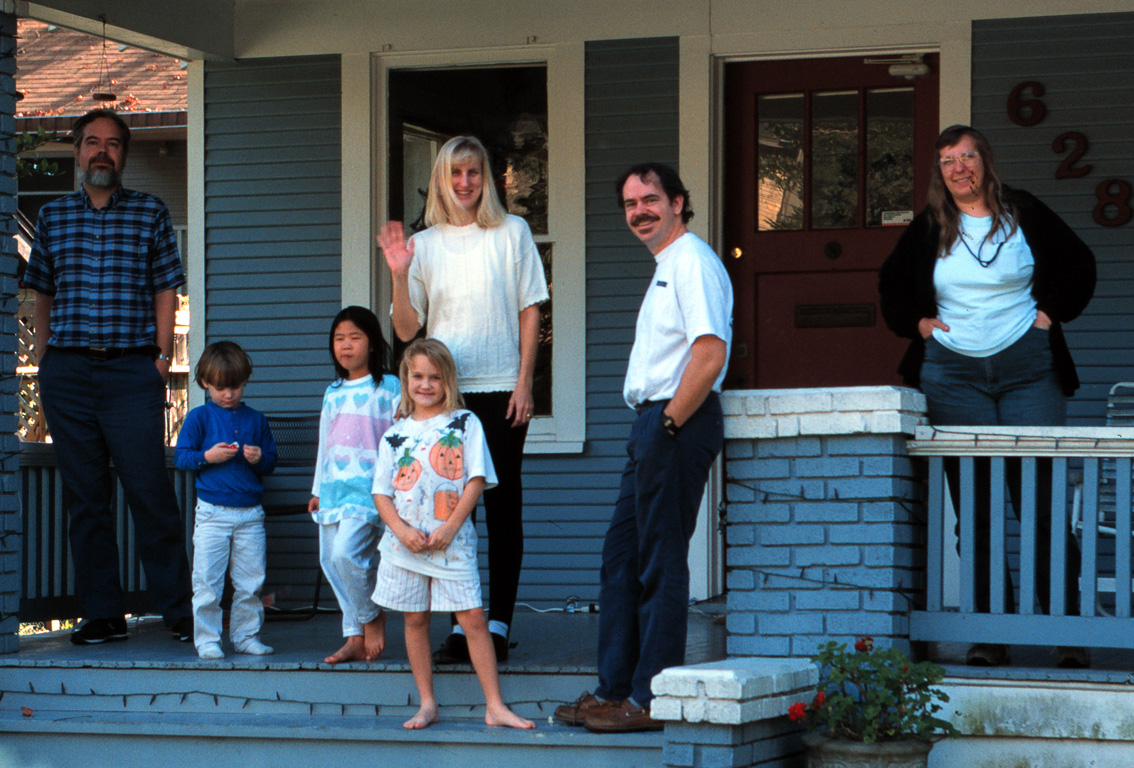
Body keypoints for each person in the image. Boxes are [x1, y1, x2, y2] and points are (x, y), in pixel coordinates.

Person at [878, 124, 1096, 668]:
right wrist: (922, 325)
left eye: (968, 156)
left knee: (1040, 504)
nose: (960, 168)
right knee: (976, 509)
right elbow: (892, 288)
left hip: (1029, 370)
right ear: (940, 172)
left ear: (985, 162)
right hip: (953, 377)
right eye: (948, 160)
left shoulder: (1023, 212)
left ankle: (1067, 633)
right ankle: (986, 632)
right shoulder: (930, 226)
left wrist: (1051, 315)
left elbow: (1079, 263)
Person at [556, 163, 733, 733]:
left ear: (678, 201)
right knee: (621, 559)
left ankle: (652, 696)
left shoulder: (693, 262)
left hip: (675, 421)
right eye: (631, 204)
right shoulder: (667, 266)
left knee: (658, 560)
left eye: (651, 199)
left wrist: (670, 424)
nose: (640, 212)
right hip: (653, 423)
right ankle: (615, 689)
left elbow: (709, 353)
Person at [23, 108, 193, 645]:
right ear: (78, 153)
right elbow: (41, 293)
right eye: (92, 142)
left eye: (112, 144)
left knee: (150, 492)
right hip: (69, 372)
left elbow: (167, 287)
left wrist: (162, 358)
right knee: (85, 497)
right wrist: (48, 358)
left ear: (124, 154)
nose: (102, 151)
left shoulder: (150, 212)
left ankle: (179, 610)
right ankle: (103, 614)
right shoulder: (53, 217)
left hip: (130, 371)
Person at [377, 135, 549, 663]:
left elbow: (530, 311)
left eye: (473, 172)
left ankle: (496, 624)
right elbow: (407, 331)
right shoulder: (424, 245)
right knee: (452, 511)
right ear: (441, 180)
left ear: (487, 177)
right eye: (455, 174)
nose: (465, 183)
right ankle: (461, 625)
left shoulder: (512, 233)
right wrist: (400, 273)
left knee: (502, 506)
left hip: (501, 390)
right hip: (446, 399)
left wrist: (525, 383)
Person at [372, 338, 534, 731]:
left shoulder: (465, 423)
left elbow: (477, 479)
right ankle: (428, 703)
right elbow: (382, 493)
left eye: (435, 377)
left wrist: (450, 527)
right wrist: (401, 531)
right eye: (417, 376)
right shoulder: (395, 434)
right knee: (415, 620)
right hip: (406, 544)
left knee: (474, 618)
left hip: (451, 542)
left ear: (448, 381)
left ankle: (494, 705)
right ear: (405, 379)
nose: (425, 384)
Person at [175, 341, 278, 660]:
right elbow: (182, 458)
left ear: (245, 383)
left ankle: (246, 636)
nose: (229, 394)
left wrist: (259, 458)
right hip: (212, 513)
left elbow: (271, 463)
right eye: (220, 388)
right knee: (207, 579)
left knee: (251, 581)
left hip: (250, 513)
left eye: (235, 387)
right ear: (205, 382)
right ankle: (207, 639)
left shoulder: (256, 420)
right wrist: (207, 456)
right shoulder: (198, 417)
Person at [308, 306, 400, 664]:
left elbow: (400, 439)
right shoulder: (333, 391)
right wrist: (317, 489)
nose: (346, 345)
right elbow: (324, 442)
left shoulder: (389, 386)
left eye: (355, 337)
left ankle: (371, 616)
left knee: (348, 553)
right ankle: (354, 636)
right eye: (339, 338)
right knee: (330, 560)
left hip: (369, 489)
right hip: (333, 487)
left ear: (373, 343)